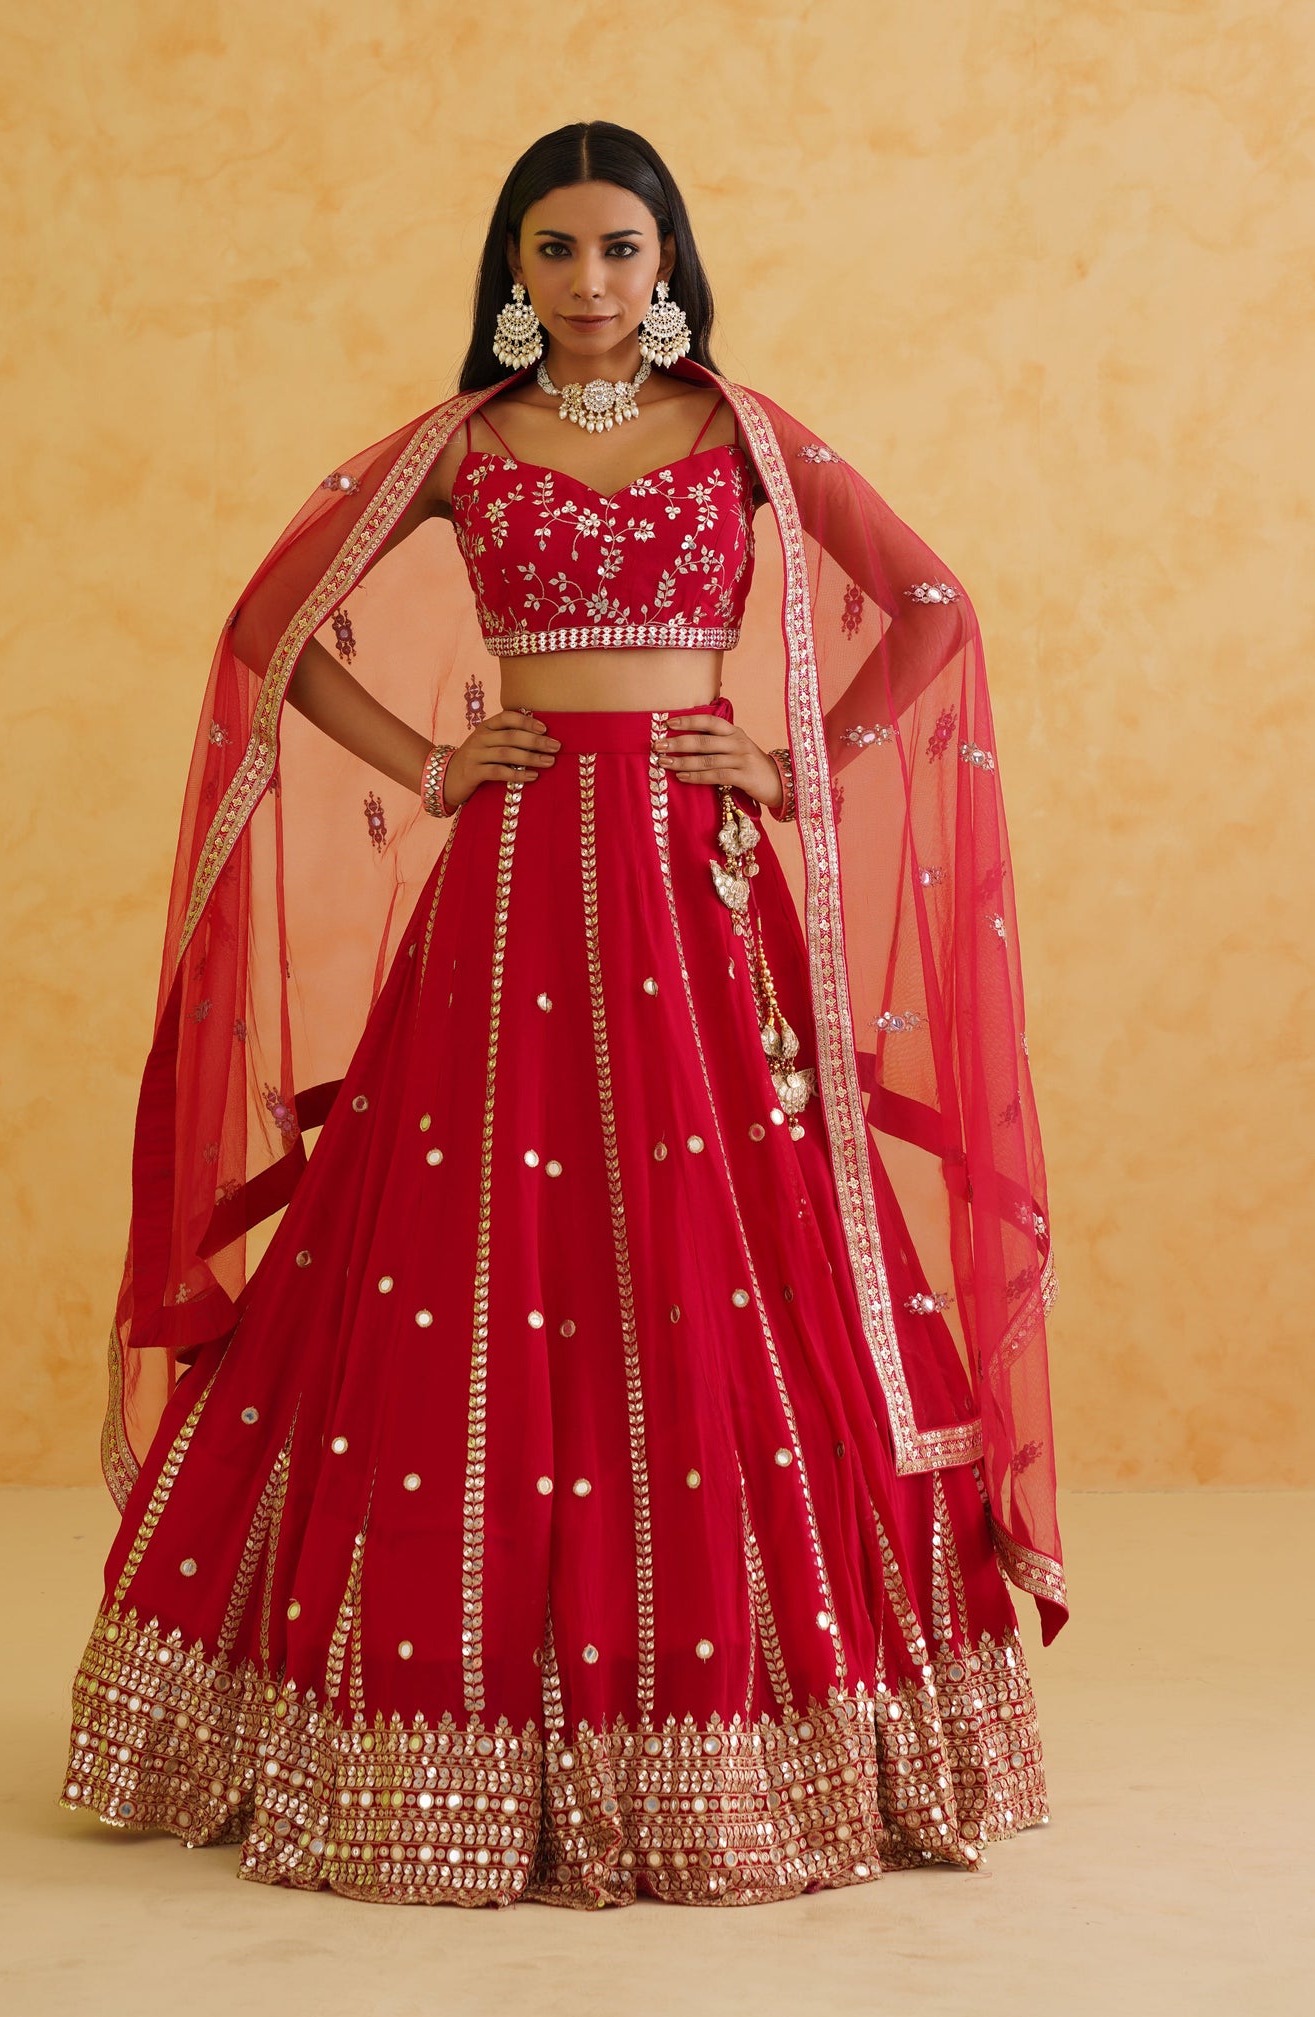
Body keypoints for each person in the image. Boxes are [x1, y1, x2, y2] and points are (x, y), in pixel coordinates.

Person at [61, 121, 1063, 1909]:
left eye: (617, 250)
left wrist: (794, 764)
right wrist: (435, 762)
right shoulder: (456, 446)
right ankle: (405, 1713)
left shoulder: (744, 434)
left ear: (664, 259)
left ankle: (753, 1716)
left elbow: (926, 609)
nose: (589, 285)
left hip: (687, 871)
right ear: (508, 276)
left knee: (710, 1243)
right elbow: (267, 626)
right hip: (516, 872)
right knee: (459, 1244)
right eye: (553, 254)